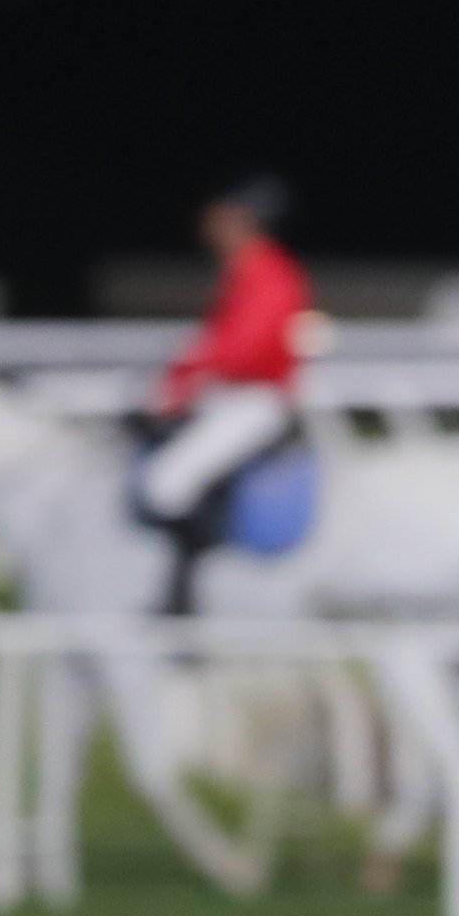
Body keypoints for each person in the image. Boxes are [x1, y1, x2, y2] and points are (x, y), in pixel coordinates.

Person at [134, 173, 313, 613]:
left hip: (252, 400)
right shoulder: (243, 270)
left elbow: (240, 348)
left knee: (166, 483)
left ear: (243, 219)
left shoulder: (268, 272)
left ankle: (183, 597)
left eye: (220, 217)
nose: (209, 225)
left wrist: (189, 373)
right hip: (230, 395)